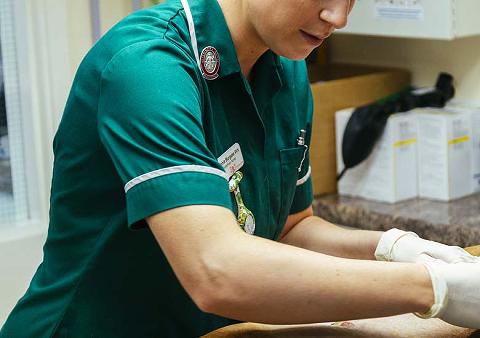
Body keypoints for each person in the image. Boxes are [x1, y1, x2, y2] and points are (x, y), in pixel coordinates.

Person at [1, 0, 480, 337]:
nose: (338, 16)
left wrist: (396, 248)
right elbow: (218, 270)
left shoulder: (285, 67)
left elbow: (291, 228)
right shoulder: (148, 67)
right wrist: (429, 289)